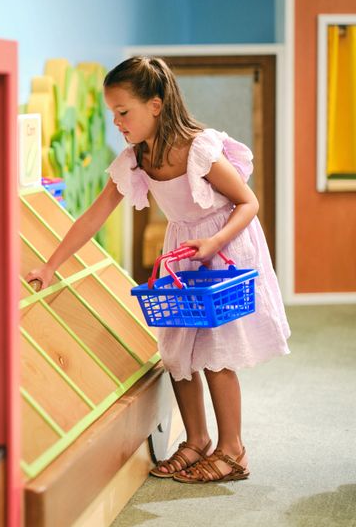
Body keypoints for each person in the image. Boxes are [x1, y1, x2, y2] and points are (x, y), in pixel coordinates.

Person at [26, 56, 290, 484]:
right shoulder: (135, 160)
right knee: (177, 346)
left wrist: (214, 242)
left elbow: (248, 202)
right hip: (183, 250)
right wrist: (51, 265)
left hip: (223, 248)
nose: (117, 122)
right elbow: (94, 216)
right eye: (113, 114)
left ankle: (233, 449)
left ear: (156, 104)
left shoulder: (199, 149)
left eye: (123, 112)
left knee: (215, 351)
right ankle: (197, 439)